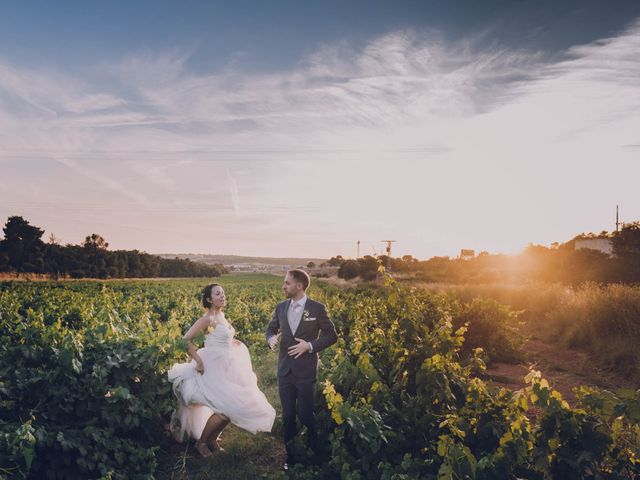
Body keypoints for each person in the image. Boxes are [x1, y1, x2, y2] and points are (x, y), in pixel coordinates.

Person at [168, 283, 276, 458]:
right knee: (223, 411)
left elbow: (219, 337)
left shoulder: (221, 315)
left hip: (227, 367)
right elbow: (185, 340)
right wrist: (198, 361)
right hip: (211, 368)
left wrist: (233, 342)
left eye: (223, 293)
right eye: (218, 294)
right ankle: (201, 443)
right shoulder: (208, 319)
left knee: (230, 408)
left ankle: (213, 439)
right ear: (210, 299)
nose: (222, 296)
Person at [265, 269, 338, 470]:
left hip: (306, 371)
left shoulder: (317, 308)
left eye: (287, 283)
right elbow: (271, 328)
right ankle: (291, 457)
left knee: (306, 415)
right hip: (285, 371)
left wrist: (310, 345)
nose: (284, 286)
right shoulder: (280, 307)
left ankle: (314, 452)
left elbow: (332, 335)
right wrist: (271, 338)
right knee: (288, 416)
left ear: (299, 286)